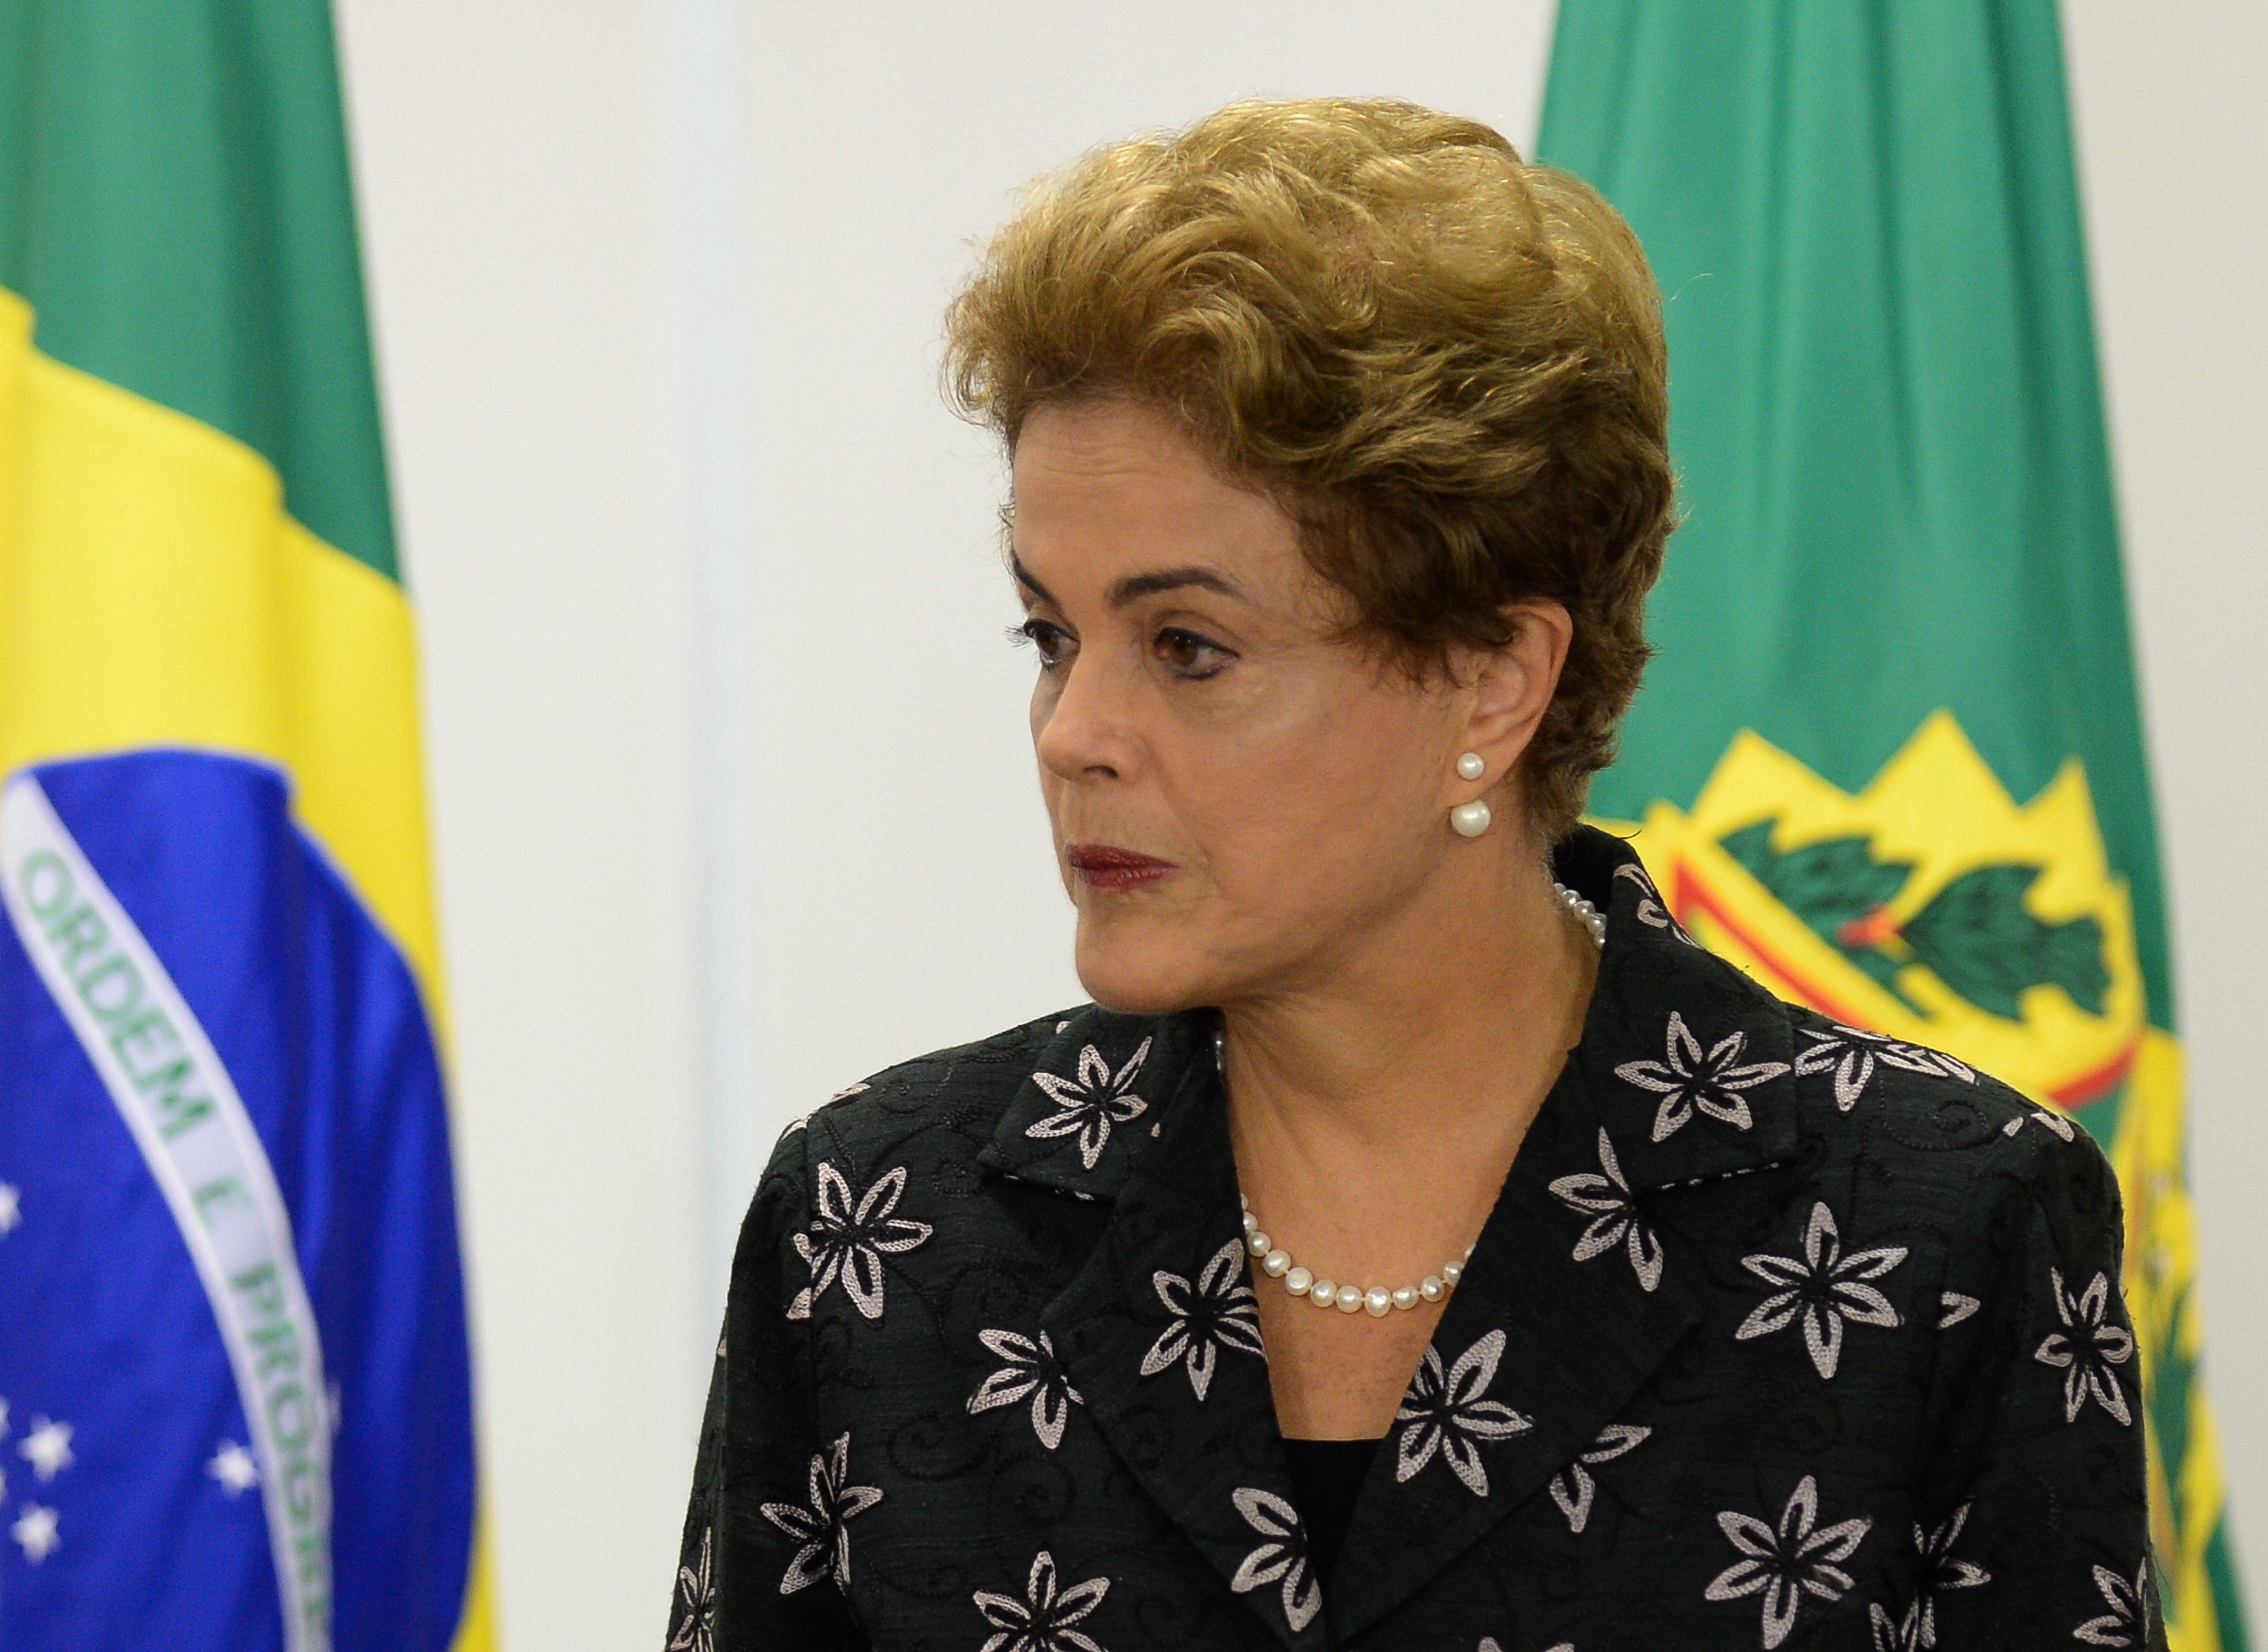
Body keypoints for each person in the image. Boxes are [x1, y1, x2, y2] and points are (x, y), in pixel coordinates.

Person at [666, 98, 2154, 1651]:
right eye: (1050, 634)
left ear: (1492, 681)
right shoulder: (876, 1228)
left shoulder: (1934, 1227)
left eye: (1186, 647)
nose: (1073, 730)